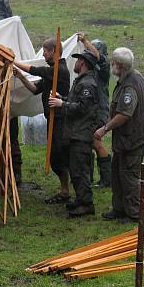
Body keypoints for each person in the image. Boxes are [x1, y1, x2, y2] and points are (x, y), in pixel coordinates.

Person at [94, 47, 144, 222]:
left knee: (129, 176)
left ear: (118, 65)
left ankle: (133, 214)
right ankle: (118, 209)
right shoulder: (134, 77)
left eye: (113, 61)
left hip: (132, 139)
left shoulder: (129, 86)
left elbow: (125, 115)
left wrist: (105, 128)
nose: (111, 64)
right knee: (117, 172)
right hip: (126, 139)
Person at [12, 38, 71, 204]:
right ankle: (65, 190)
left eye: (45, 51)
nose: (43, 53)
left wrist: (15, 62)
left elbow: (34, 70)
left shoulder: (59, 70)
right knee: (55, 156)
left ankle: (66, 191)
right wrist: (21, 77)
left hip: (60, 120)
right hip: (52, 119)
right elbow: (35, 90)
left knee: (58, 155)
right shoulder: (52, 71)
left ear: (53, 51)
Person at [48, 51, 99, 217]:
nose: (75, 63)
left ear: (83, 63)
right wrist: (62, 97)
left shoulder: (88, 84)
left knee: (80, 170)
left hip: (81, 133)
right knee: (76, 169)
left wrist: (62, 103)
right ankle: (80, 199)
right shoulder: (82, 81)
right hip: (75, 132)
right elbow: (76, 101)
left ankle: (86, 204)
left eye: (78, 60)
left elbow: (83, 108)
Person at [79, 33, 112, 187]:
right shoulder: (93, 68)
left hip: (99, 110)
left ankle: (107, 179)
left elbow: (96, 55)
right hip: (93, 109)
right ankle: (90, 178)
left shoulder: (103, 67)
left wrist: (85, 40)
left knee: (95, 142)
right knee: (89, 142)